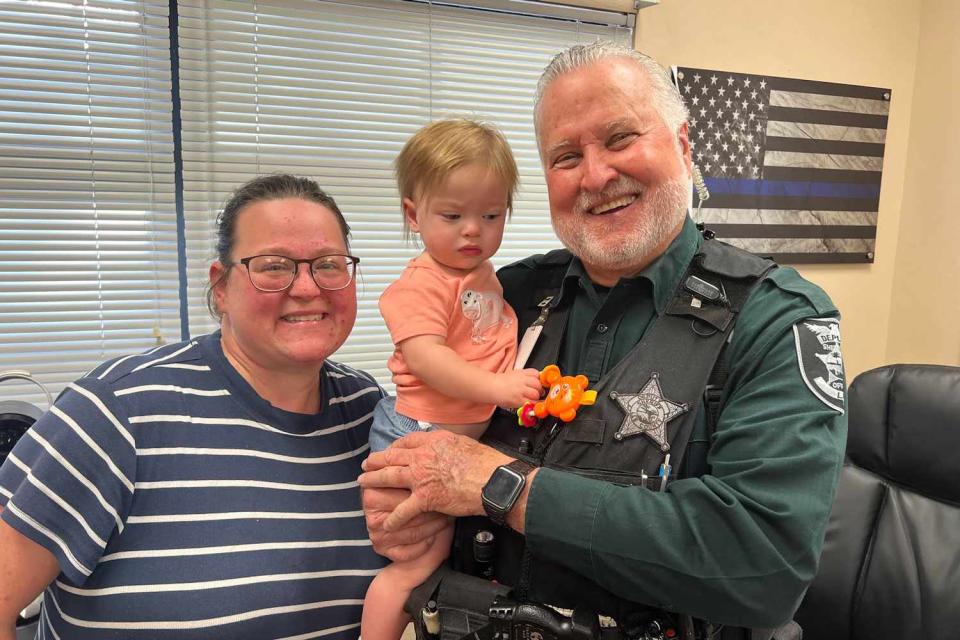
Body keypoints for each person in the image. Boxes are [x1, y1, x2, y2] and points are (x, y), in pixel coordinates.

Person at [358, 42, 848, 639]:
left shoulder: (775, 319)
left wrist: (502, 486)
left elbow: (767, 567)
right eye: (566, 156)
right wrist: (397, 505)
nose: (595, 175)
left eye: (619, 139)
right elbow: (423, 417)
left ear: (683, 144)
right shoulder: (507, 296)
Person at [0, 175, 432, 640]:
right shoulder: (114, 411)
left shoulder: (369, 411)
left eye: (328, 265)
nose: (307, 288)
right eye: (273, 266)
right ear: (221, 287)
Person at [361, 119, 542, 640]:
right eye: (453, 215)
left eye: (491, 215)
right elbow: (426, 358)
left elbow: (488, 342)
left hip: (456, 443)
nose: (473, 230)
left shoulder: (485, 276)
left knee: (442, 565)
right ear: (413, 214)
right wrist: (499, 389)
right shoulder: (421, 283)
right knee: (412, 567)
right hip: (415, 433)